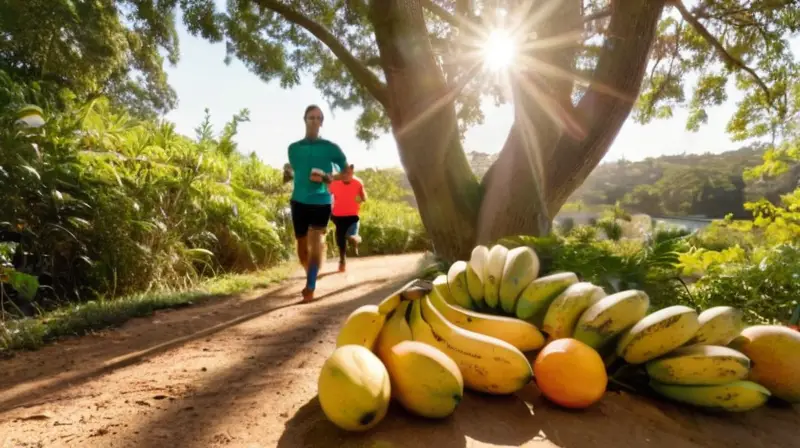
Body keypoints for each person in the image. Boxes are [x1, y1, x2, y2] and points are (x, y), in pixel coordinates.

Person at [283, 105, 348, 303]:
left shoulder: (331, 148)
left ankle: (310, 286)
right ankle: (311, 271)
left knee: (315, 242)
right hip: (298, 200)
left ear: (322, 122)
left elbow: (346, 173)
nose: (314, 121)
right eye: (311, 117)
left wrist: (330, 177)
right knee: (302, 246)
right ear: (304, 120)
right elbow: (294, 171)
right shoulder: (293, 149)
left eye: (318, 118)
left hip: (321, 201)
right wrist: (287, 172)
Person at [329, 164, 366, 272]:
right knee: (340, 239)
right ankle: (342, 260)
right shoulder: (334, 183)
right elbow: (326, 196)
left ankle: (354, 239)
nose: (345, 175)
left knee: (351, 234)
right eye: (343, 173)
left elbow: (364, 196)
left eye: (348, 173)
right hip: (338, 215)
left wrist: (361, 198)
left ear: (352, 173)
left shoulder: (358, 183)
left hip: (353, 214)